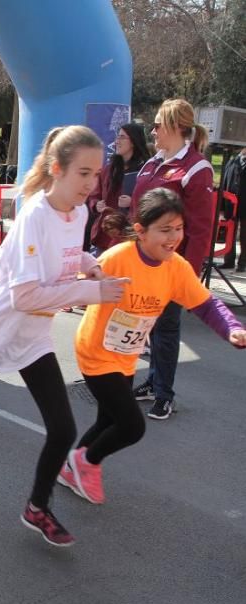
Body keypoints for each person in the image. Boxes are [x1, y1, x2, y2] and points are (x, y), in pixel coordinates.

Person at [0, 125, 127, 547]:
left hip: (34, 336)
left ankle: (37, 506)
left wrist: (91, 264)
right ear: (57, 169)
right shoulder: (34, 215)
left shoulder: (81, 212)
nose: (92, 183)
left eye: (95, 174)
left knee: (63, 428)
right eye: (83, 173)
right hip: (0, 331)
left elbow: (68, 254)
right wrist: (94, 291)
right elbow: (27, 294)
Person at [61, 188, 246, 505]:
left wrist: (232, 327)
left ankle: (70, 468)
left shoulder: (177, 267)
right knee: (131, 426)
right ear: (141, 231)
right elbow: (72, 279)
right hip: (95, 351)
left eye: (178, 228)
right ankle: (85, 463)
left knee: (109, 420)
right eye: (165, 229)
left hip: (126, 356)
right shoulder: (118, 258)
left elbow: (205, 305)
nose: (174, 237)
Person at [130, 98, 214, 421]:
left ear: (177, 127)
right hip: (141, 261)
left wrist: (187, 278)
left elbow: (201, 229)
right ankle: (153, 382)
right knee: (149, 326)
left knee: (166, 328)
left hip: (170, 267)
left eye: (158, 124)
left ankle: (165, 394)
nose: (152, 130)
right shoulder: (153, 164)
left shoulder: (196, 168)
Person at [87, 122, 148, 253]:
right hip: (104, 235)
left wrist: (132, 202)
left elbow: (151, 203)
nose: (117, 141)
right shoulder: (109, 169)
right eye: (117, 137)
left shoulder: (146, 170)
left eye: (122, 137)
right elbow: (94, 194)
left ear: (133, 141)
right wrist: (96, 205)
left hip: (128, 236)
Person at [220, 147, 246, 272]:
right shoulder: (232, 162)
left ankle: (243, 263)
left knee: (244, 235)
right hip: (232, 205)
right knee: (229, 234)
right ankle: (228, 261)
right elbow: (224, 183)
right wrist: (222, 207)